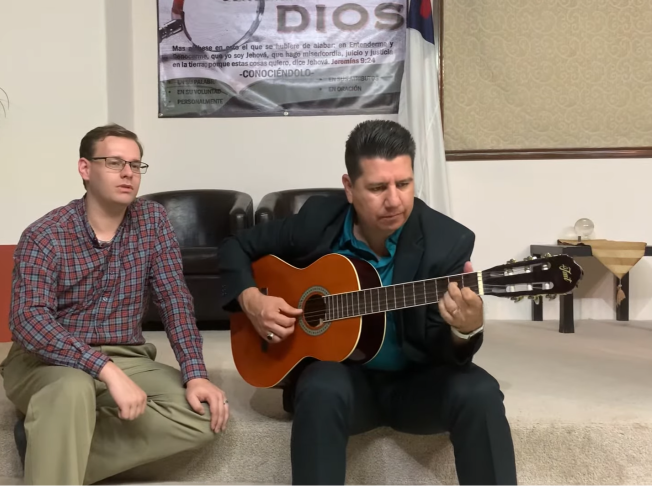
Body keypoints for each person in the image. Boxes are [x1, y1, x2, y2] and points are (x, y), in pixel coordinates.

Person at [217, 120, 517, 486]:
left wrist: (465, 328)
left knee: (480, 391)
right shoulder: (317, 219)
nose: (394, 199)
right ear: (349, 187)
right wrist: (251, 299)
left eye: (403, 184)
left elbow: (446, 351)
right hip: (344, 384)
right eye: (377, 187)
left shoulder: (447, 241)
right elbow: (235, 246)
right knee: (321, 386)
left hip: (417, 384)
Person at [0, 124, 228, 486]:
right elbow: (29, 321)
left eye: (136, 165)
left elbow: (174, 298)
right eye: (114, 162)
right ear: (85, 169)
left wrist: (196, 372)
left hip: (127, 355)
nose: (127, 173)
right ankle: (59, 434)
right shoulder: (45, 234)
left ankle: (46, 446)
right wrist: (104, 369)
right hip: (47, 360)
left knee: (202, 414)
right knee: (73, 389)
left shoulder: (152, 221)